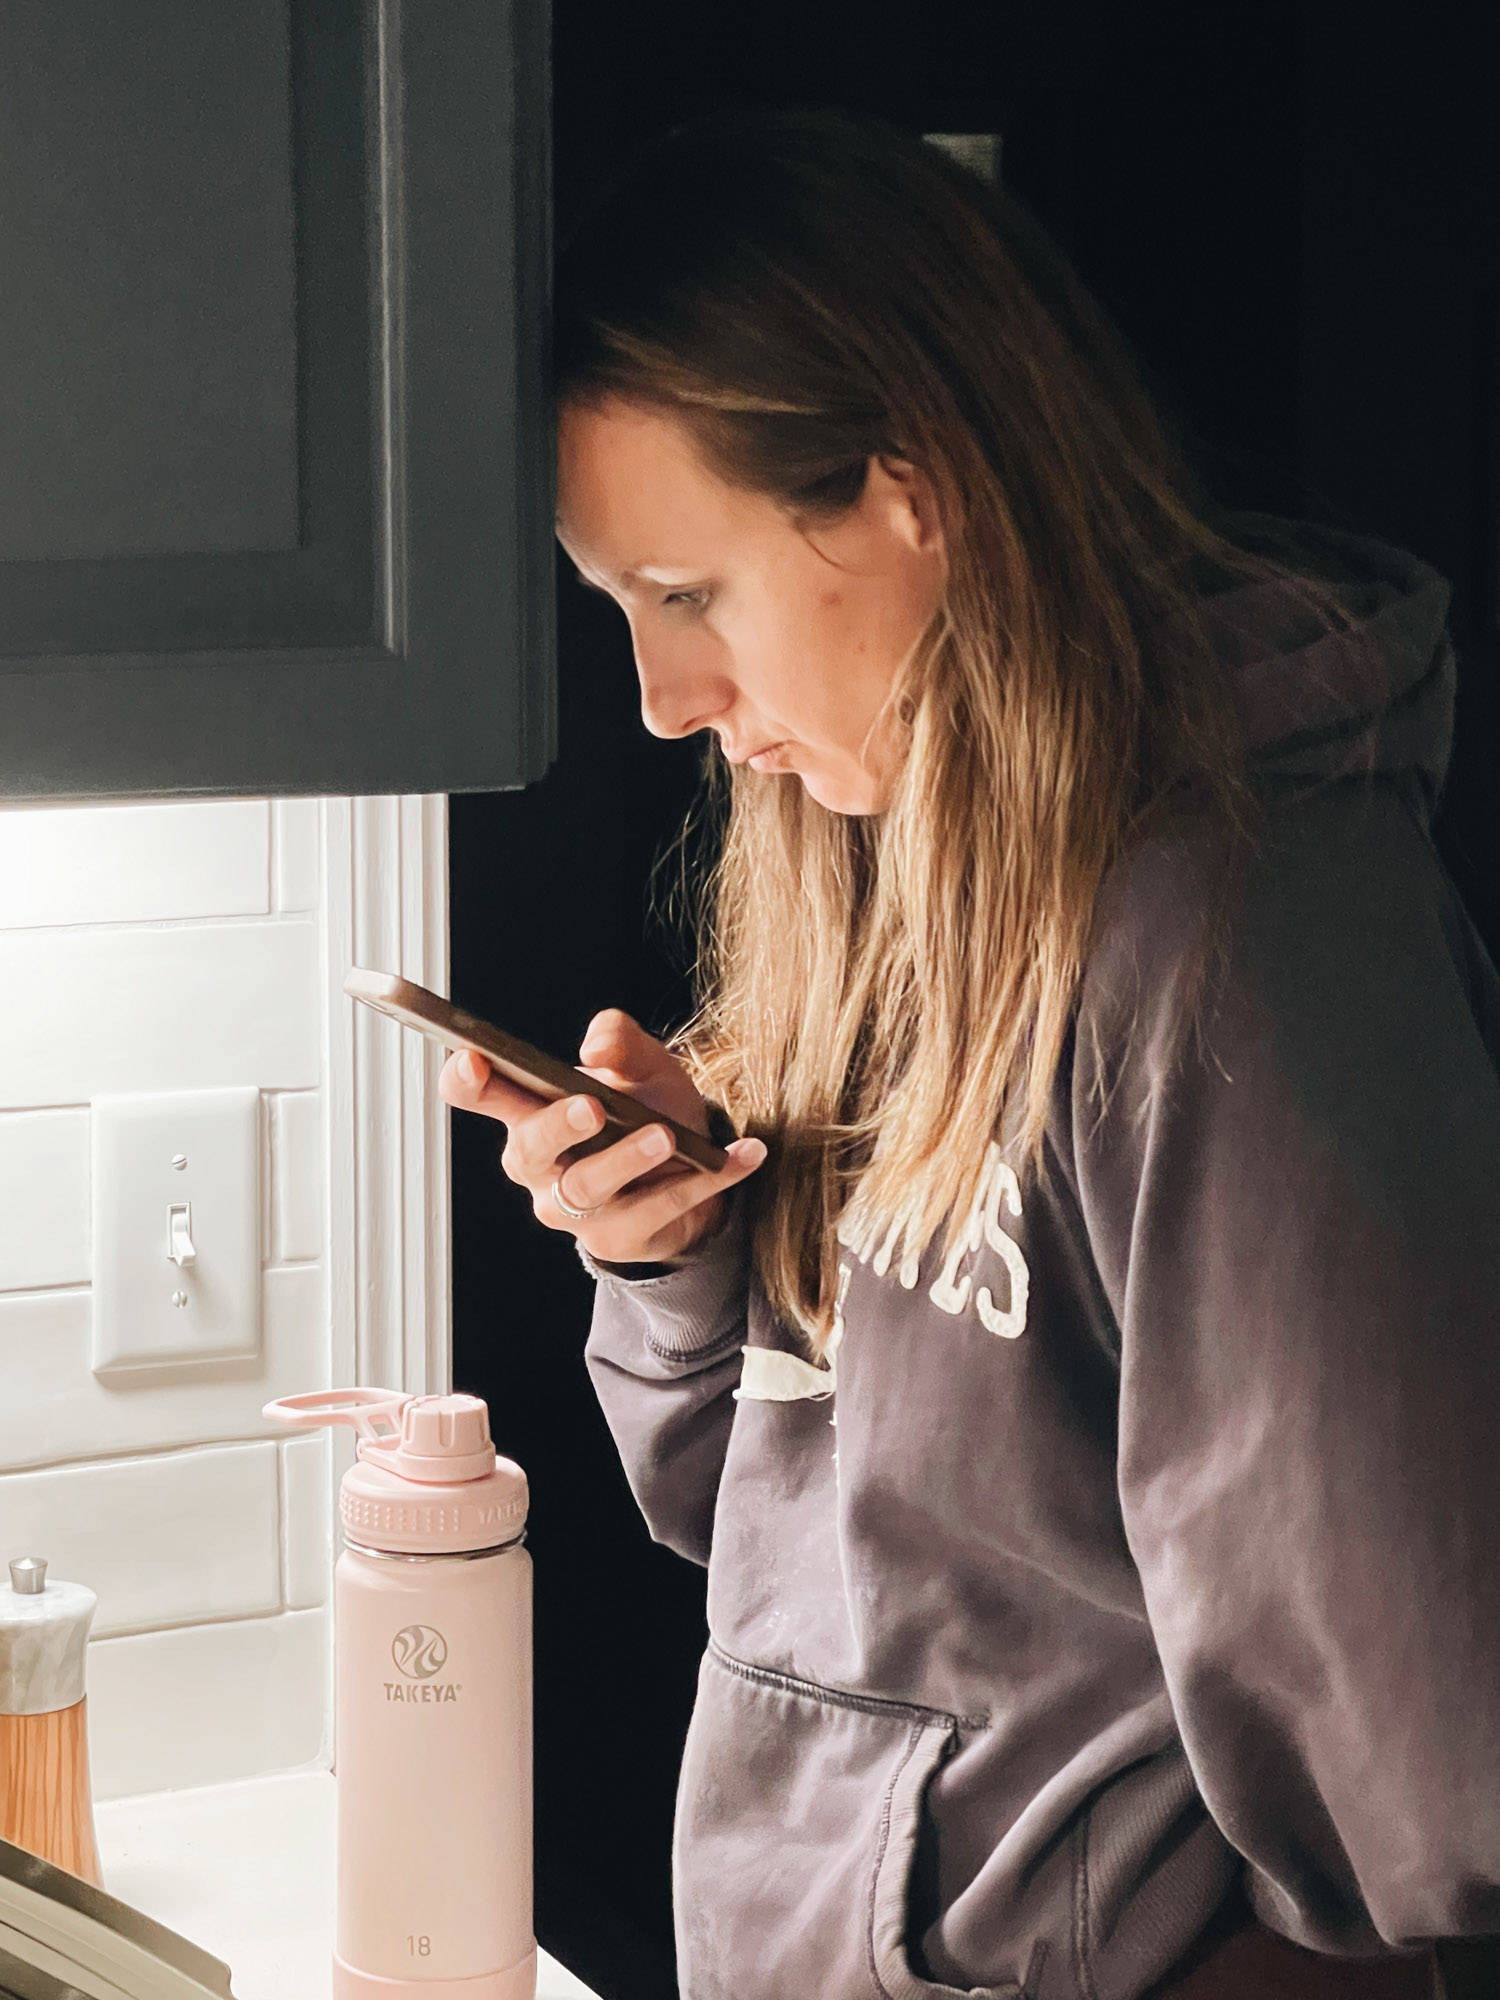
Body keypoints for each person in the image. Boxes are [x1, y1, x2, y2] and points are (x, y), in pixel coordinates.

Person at [440, 105, 1500, 2000]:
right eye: (622, 608)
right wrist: (670, 1260)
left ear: (907, 493)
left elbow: (1415, 1743)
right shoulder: (867, 870)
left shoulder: (1245, 929)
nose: (668, 701)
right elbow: (781, 1547)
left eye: (688, 596)